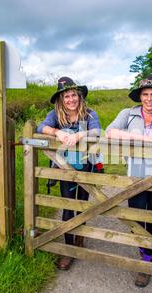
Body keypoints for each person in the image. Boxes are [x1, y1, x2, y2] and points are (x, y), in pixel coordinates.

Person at [105, 75, 152, 287]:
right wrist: (144, 139)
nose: (149, 98)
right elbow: (110, 132)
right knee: (136, 216)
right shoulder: (128, 114)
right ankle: (142, 248)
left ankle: (146, 260)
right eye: (145, 94)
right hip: (135, 175)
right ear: (140, 96)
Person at [37, 76, 101, 271]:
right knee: (67, 205)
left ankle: (79, 236)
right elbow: (41, 127)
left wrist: (80, 134)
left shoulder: (89, 114)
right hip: (65, 168)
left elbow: (97, 131)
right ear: (61, 100)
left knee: (82, 203)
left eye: (74, 95)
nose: (71, 100)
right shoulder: (55, 114)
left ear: (79, 96)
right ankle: (68, 247)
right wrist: (57, 132)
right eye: (66, 97)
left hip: (86, 166)